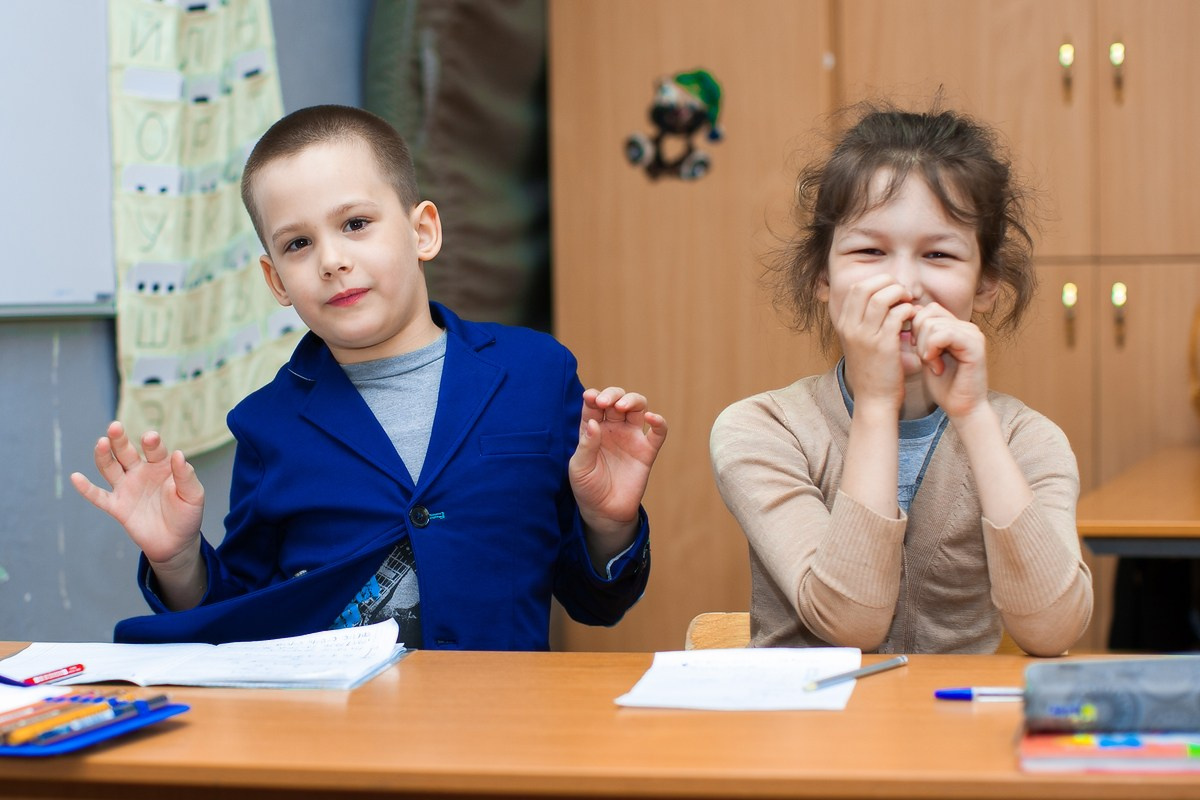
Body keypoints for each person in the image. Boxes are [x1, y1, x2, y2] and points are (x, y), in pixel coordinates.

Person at [72, 104, 667, 648]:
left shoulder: (537, 373)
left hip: (498, 734)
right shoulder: (265, 423)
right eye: (299, 243)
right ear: (276, 280)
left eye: (355, 224)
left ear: (422, 231)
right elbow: (246, 626)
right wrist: (178, 559)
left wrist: (609, 524)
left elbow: (595, 603)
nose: (332, 260)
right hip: (331, 742)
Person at [709, 104, 1092, 656]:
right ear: (823, 275)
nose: (905, 284)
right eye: (870, 251)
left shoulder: (1027, 440)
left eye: (939, 253)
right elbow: (851, 624)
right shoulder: (760, 429)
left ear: (985, 283)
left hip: (955, 732)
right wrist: (874, 404)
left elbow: (1054, 631)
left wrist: (974, 417)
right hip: (812, 735)